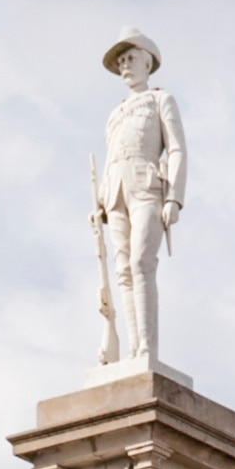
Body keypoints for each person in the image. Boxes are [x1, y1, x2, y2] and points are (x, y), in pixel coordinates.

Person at [92, 30, 188, 368]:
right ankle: (132, 352)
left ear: (148, 60)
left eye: (130, 58)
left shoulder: (161, 100)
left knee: (141, 265)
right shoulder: (113, 115)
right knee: (122, 272)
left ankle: (146, 349)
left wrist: (174, 198)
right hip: (116, 194)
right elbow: (110, 158)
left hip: (147, 186)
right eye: (120, 62)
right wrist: (101, 201)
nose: (124, 67)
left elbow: (176, 148)